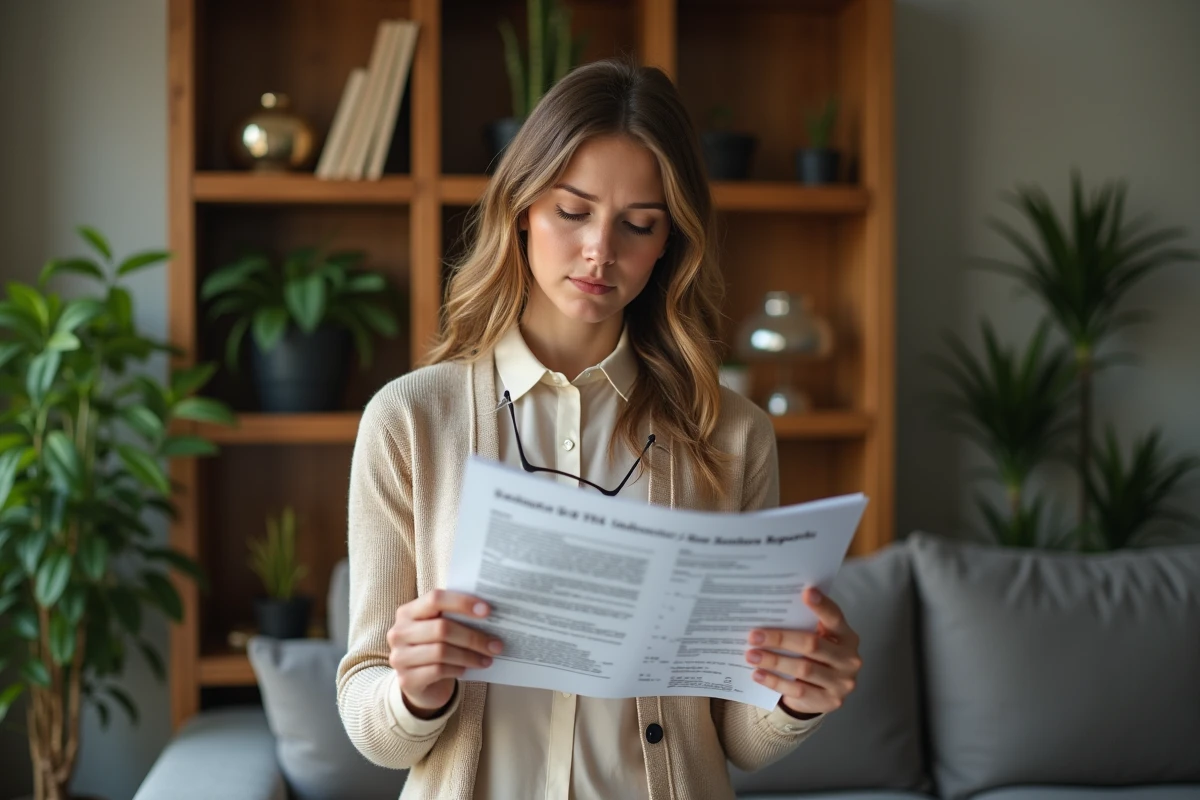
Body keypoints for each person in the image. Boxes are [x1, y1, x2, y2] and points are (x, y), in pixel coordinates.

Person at [336, 55, 863, 800]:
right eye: (573, 211)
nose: (599, 251)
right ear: (522, 208)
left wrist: (797, 695)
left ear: (668, 243)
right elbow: (368, 714)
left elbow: (733, 736)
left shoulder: (732, 435)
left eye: (638, 225)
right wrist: (417, 689)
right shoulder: (411, 420)